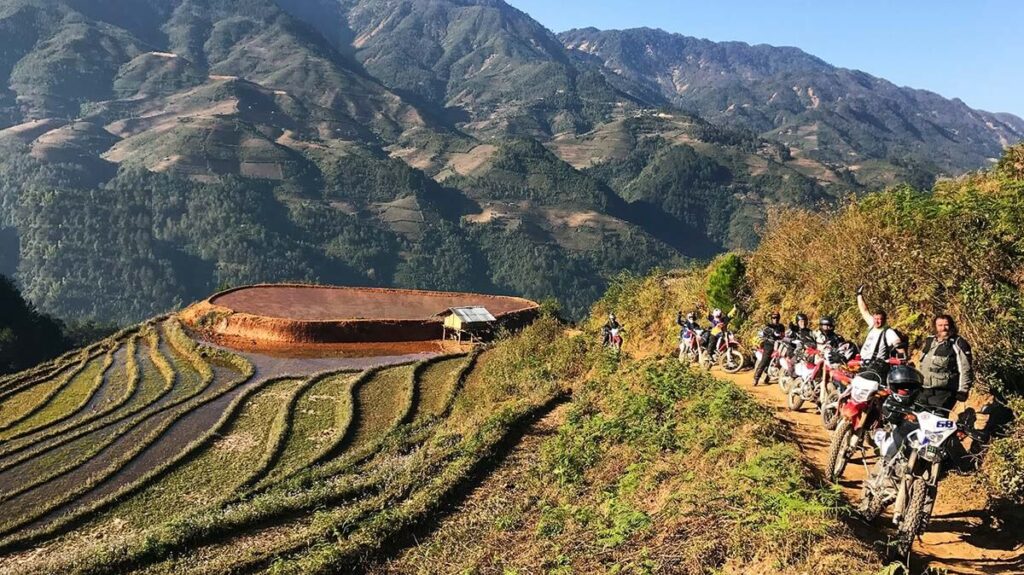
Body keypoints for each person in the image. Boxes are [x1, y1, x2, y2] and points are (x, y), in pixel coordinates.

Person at [917, 314, 974, 412]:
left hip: (944, 392)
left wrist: (963, 390)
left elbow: (965, 368)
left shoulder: (958, 343)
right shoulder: (929, 341)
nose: (943, 328)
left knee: (937, 420)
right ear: (935, 326)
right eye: (940, 325)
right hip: (924, 389)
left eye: (946, 325)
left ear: (951, 325)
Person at [856, 285, 902, 375]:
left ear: (884, 320)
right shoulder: (872, 325)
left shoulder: (888, 332)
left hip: (876, 368)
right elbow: (864, 310)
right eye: (875, 318)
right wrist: (859, 295)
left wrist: (902, 360)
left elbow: (900, 347)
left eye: (880, 319)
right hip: (863, 364)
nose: (877, 321)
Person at [752, 311, 785, 385]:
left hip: (779, 345)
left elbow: (783, 335)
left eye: (776, 318)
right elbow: (763, 332)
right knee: (765, 360)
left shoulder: (781, 326)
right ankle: (756, 378)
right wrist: (771, 333)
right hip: (769, 344)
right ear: (771, 318)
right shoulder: (768, 326)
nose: (775, 319)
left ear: (779, 318)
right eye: (773, 318)